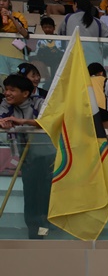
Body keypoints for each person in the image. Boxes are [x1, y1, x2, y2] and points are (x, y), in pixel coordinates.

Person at [0, 73, 54, 239]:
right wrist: (3, 123)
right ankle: (34, 232)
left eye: (12, 90)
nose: (7, 93)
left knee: (45, 193)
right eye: (6, 89)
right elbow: (2, 119)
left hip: (47, 157)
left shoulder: (39, 102)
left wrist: (23, 122)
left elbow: (49, 121)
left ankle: (46, 227)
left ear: (25, 93)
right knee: (30, 194)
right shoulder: (5, 104)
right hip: (26, 158)